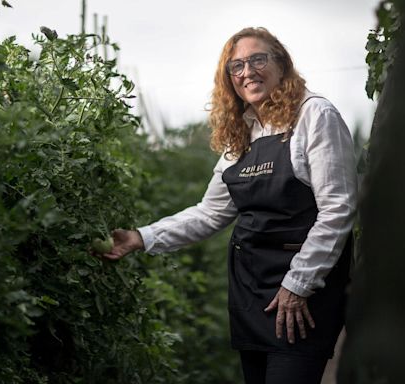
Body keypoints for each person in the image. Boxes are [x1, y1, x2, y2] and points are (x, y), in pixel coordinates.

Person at [101, 27, 357, 384]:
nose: (247, 72)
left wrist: (297, 284)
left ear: (281, 64)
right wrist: (140, 237)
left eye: (257, 59)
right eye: (236, 66)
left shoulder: (314, 116)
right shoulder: (242, 134)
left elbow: (337, 209)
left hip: (303, 293)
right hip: (252, 291)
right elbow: (210, 213)